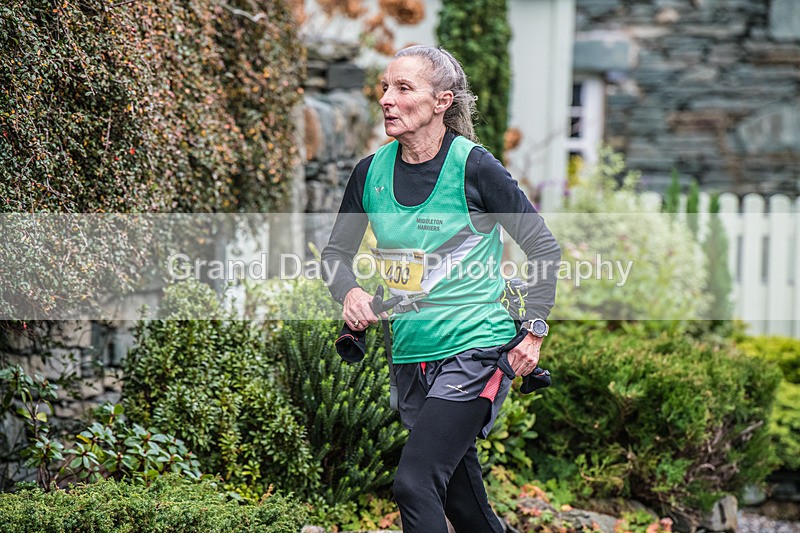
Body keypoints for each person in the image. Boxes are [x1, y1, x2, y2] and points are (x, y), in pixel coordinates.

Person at [321, 45, 560, 533]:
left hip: (476, 348)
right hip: (411, 354)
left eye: (403, 88)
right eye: (385, 87)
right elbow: (334, 257)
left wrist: (533, 330)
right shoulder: (369, 174)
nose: (387, 99)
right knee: (464, 505)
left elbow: (543, 248)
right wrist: (349, 293)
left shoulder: (474, 168)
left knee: (415, 482)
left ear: (441, 102)